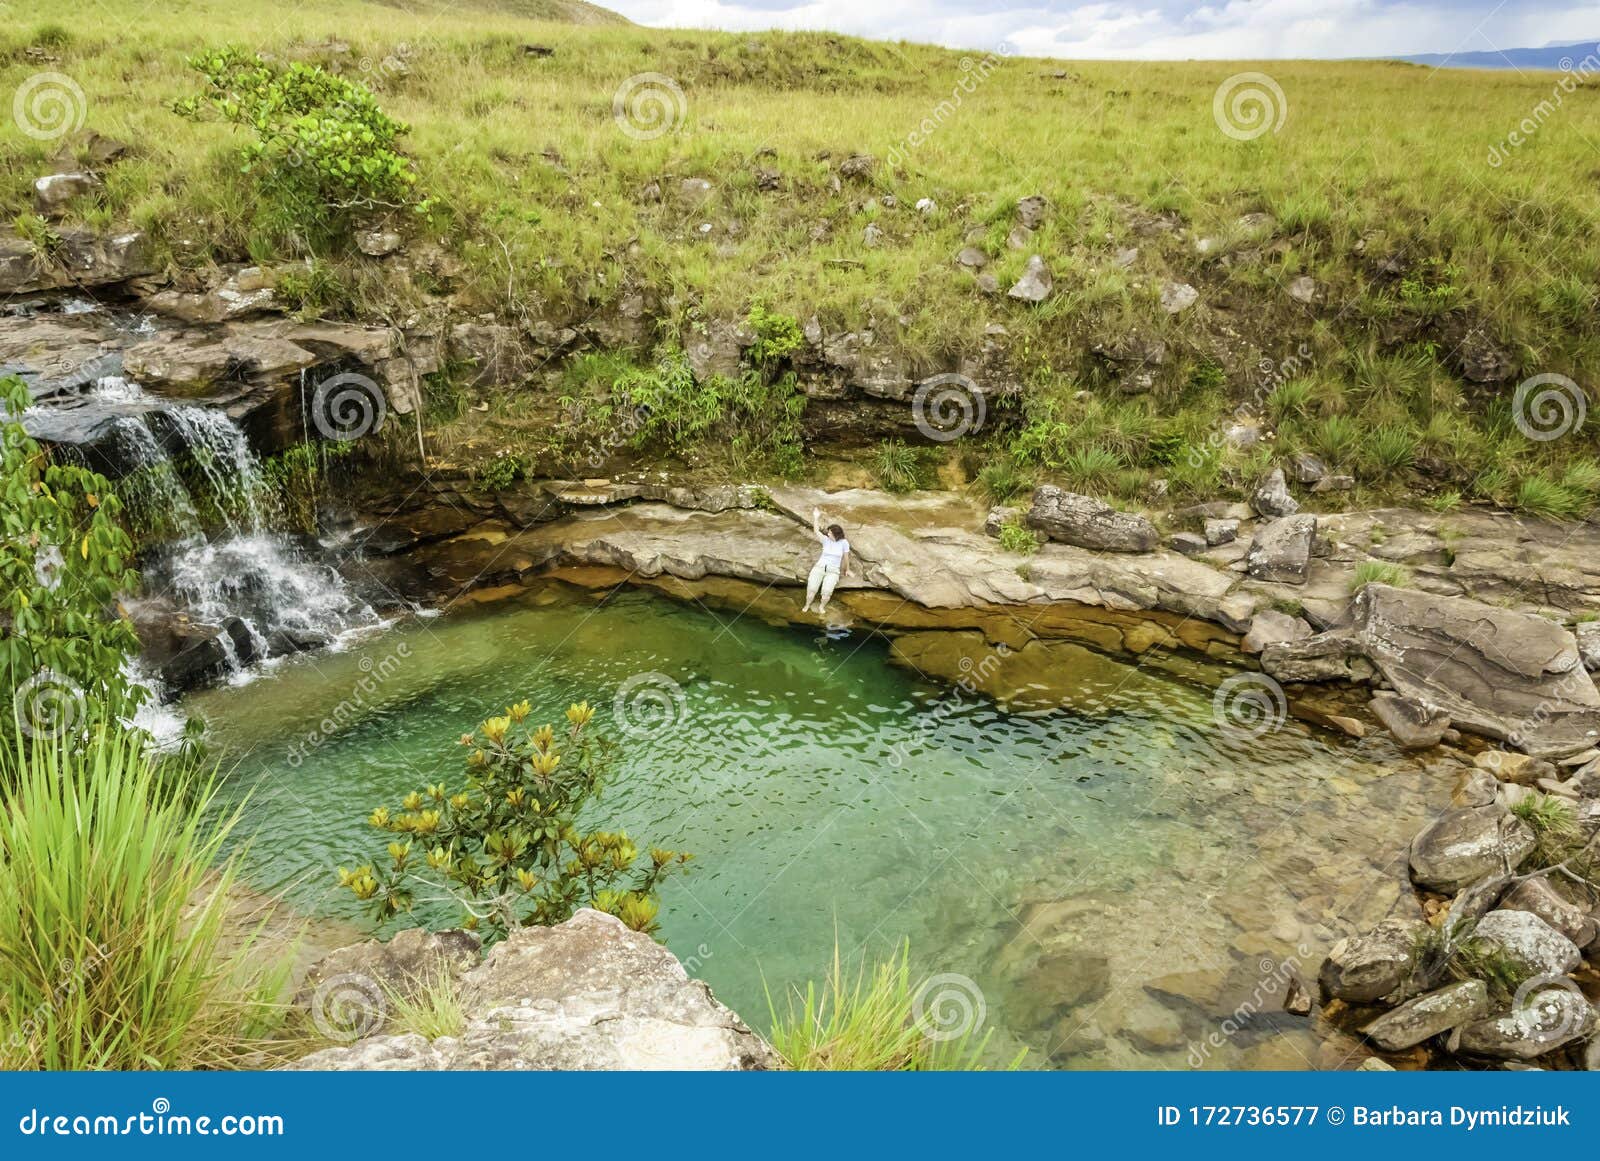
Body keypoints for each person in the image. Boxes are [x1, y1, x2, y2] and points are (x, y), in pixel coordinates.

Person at [801, 506, 850, 616]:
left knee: (826, 593)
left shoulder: (844, 543)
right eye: (828, 532)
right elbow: (816, 530)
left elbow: (846, 557)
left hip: (833, 571)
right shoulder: (825, 540)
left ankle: (821, 606)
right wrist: (816, 517)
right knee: (811, 590)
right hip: (819, 567)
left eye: (830, 533)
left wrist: (847, 569)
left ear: (836, 535)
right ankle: (807, 605)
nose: (828, 534)